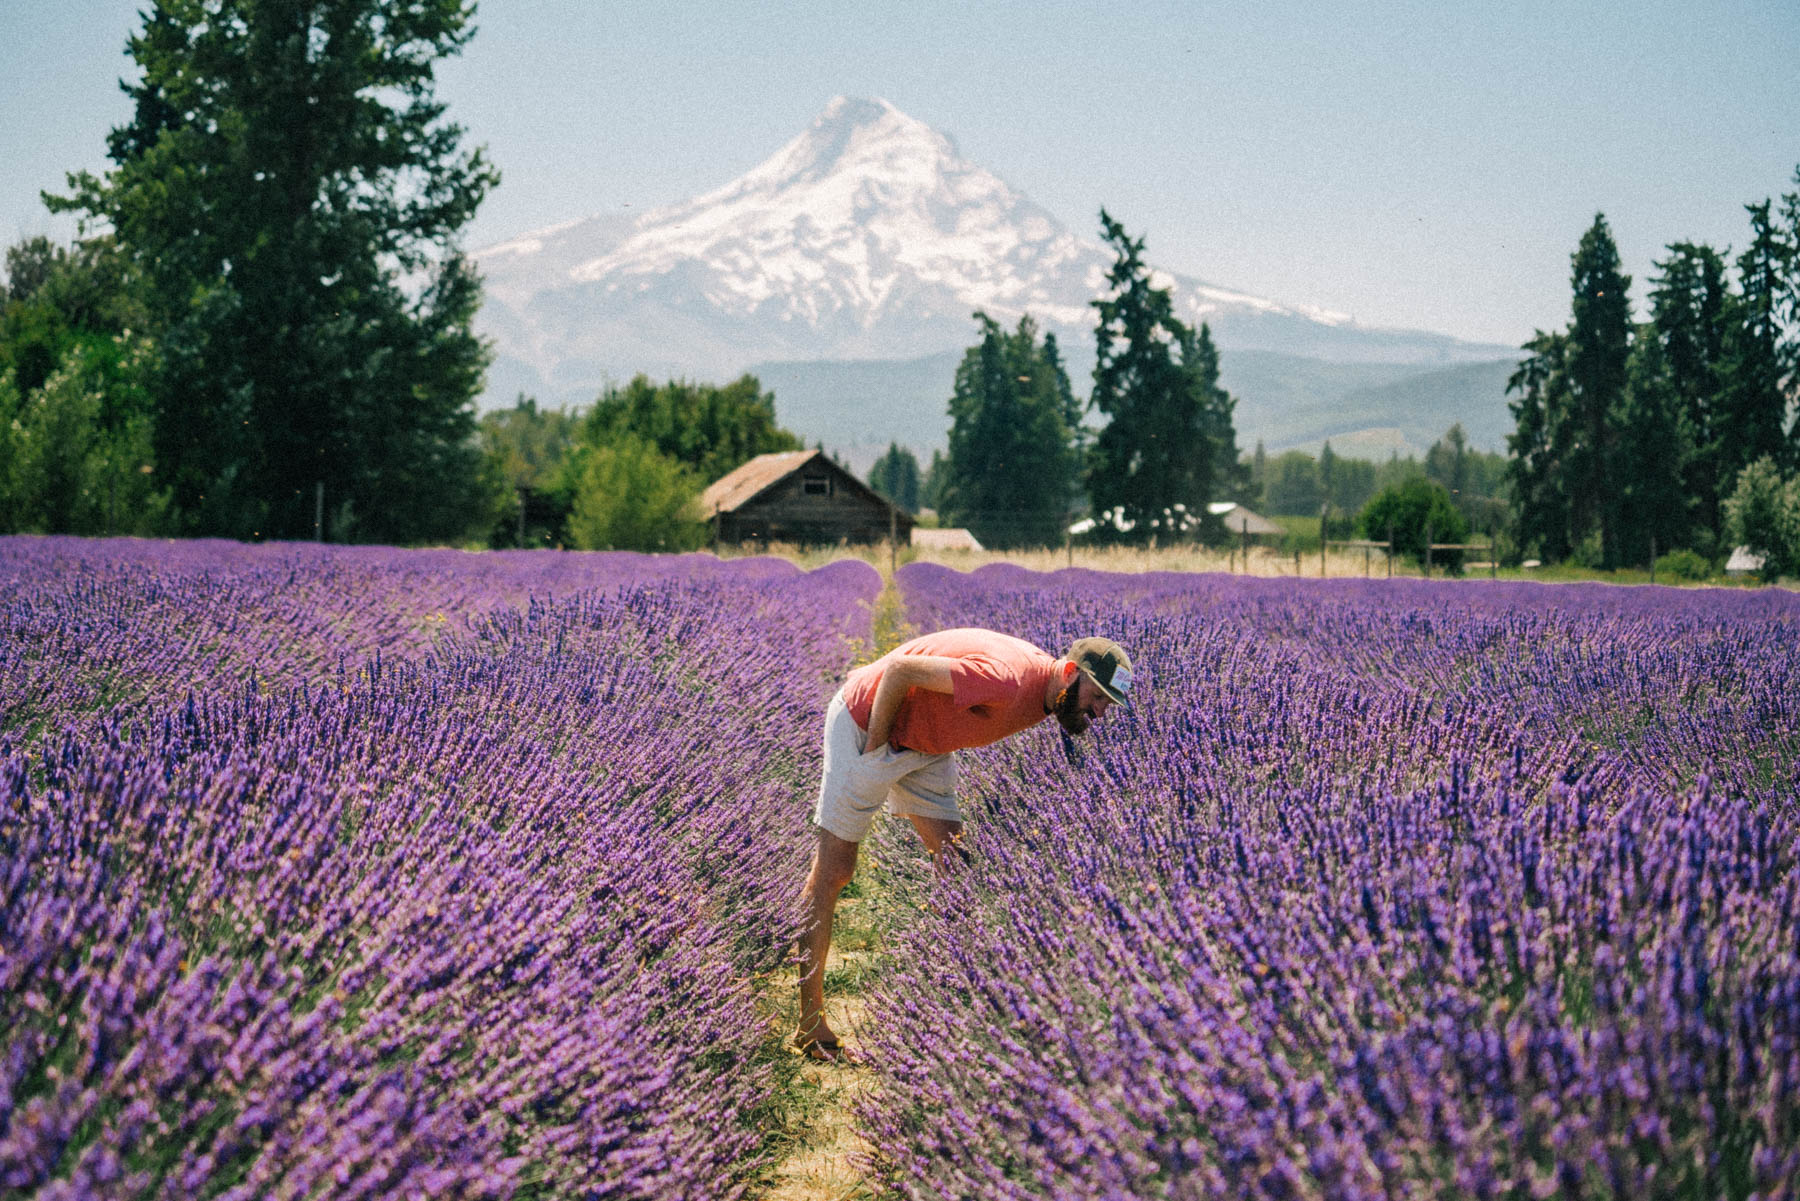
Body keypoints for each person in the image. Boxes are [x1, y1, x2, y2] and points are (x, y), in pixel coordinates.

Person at [794, 628, 1133, 1062]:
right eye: (1098, 697)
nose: (1100, 712)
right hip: (865, 722)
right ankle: (810, 1023)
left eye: (1108, 704)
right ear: (1070, 673)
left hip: (924, 743)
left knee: (958, 868)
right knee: (834, 870)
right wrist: (877, 752)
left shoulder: (1047, 692)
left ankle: (950, 1008)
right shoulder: (1006, 679)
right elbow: (898, 670)